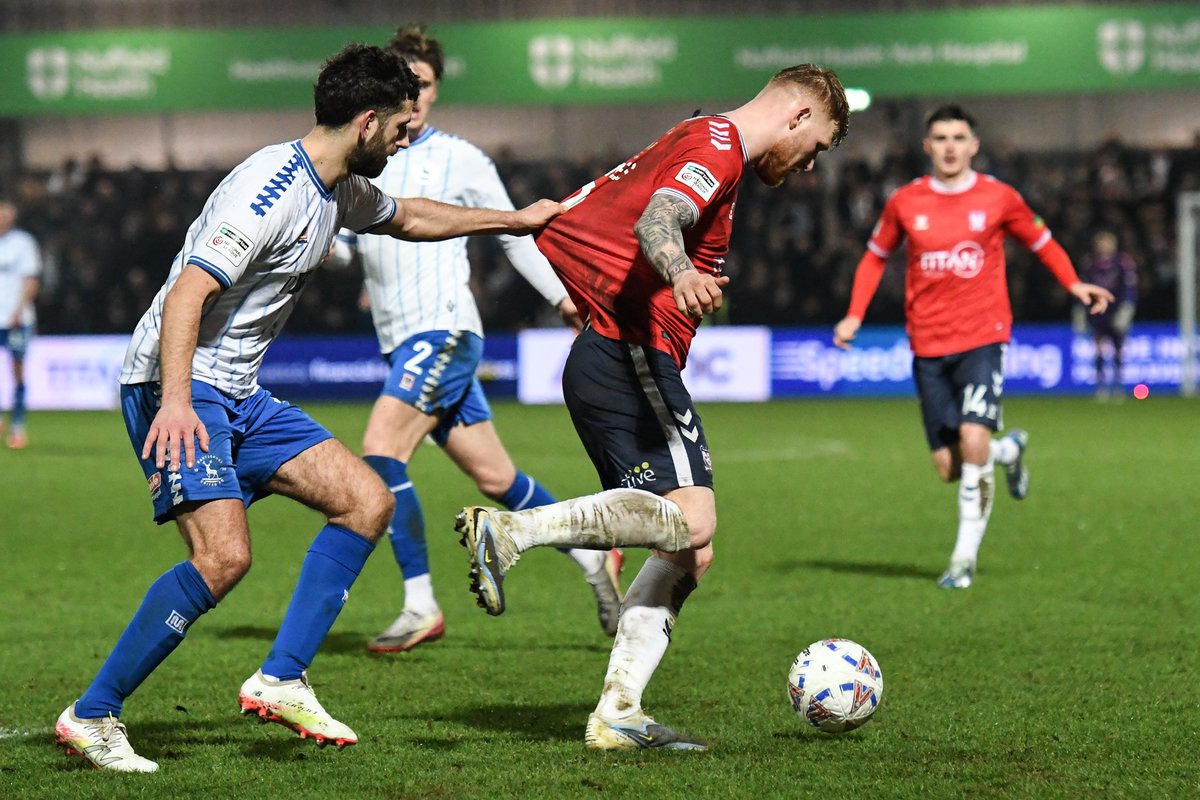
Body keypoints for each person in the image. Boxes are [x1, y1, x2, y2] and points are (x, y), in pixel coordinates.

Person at [54, 43, 564, 773]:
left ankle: (281, 677)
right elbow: (190, 293)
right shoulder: (270, 191)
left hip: (236, 390)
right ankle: (94, 715)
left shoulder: (343, 189)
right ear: (365, 123)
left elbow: (412, 216)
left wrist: (512, 221)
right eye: (397, 127)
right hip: (177, 384)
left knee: (365, 499)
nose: (406, 136)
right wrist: (173, 402)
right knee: (224, 558)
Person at [453, 65, 851, 750]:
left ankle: (619, 711)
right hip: (629, 351)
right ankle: (515, 532)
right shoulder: (718, 145)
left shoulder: (708, 142)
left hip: (613, 355)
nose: (811, 163)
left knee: (690, 553)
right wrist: (682, 269)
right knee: (694, 522)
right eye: (817, 145)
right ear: (797, 116)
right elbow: (659, 217)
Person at [331, 26, 622, 653]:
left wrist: (563, 298)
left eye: (425, 84)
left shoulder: (460, 158)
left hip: (442, 332)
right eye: (404, 83)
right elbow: (345, 241)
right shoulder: (364, 158)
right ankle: (594, 556)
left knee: (381, 449)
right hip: (400, 339)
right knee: (498, 480)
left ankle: (419, 605)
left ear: (436, 90)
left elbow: (514, 232)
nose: (415, 95)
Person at [832, 105, 1114, 590]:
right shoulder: (905, 202)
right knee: (950, 467)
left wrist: (1073, 284)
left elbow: (1042, 242)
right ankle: (1008, 452)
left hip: (984, 337)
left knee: (973, 439)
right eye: (940, 137)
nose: (949, 146)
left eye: (958, 137)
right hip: (927, 344)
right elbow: (874, 259)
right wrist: (855, 313)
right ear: (927, 146)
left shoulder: (999, 197)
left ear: (973, 145)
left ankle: (962, 560)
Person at [1075, 230, 1137, 400]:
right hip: (1098, 312)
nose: (1105, 245)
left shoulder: (1122, 262)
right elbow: (1082, 286)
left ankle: (1117, 386)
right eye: (1102, 241)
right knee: (1099, 349)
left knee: (1118, 349)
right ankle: (1101, 387)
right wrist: (1080, 310)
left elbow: (1129, 287)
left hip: (1116, 311)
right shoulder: (1090, 263)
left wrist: (1127, 308)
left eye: (1108, 241)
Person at [0, 200, 42, 449]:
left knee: (17, 370)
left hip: (16, 319)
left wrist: (19, 310)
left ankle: (17, 426)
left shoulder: (23, 243)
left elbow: (31, 279)